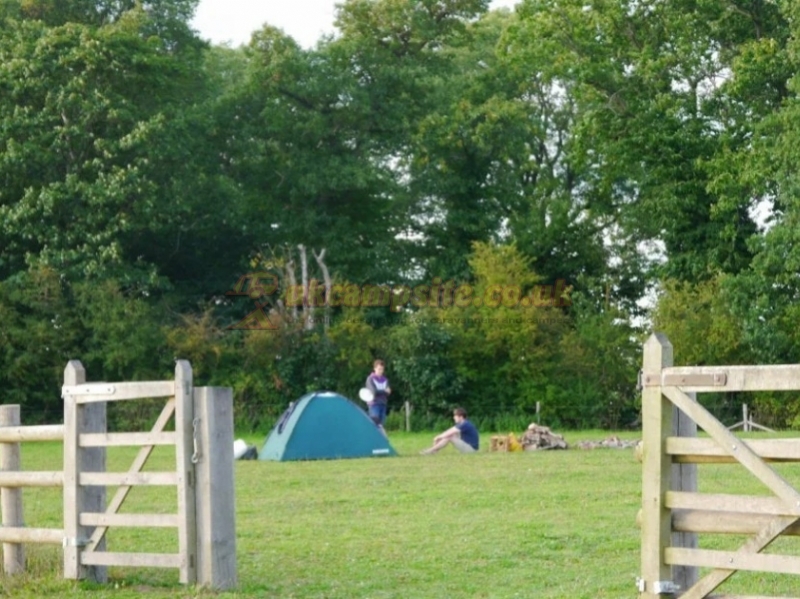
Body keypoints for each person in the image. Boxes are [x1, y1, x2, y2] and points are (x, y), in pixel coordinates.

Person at [365, 359, 391, 435]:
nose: (381, 371)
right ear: (375, 368)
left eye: (382, 369)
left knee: (381, 425)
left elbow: (388, 392)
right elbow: (374, 392)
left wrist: (384, 391)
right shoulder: (370, 379)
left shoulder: (385, 380)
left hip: (383, 403)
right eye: (379, 369)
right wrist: (384, 391)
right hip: (374, 404)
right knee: (374, 425)